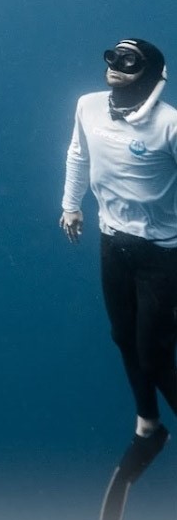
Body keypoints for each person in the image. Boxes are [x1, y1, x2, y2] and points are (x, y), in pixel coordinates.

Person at [61, 38, 177, 480]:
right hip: (112, 242)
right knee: (122, 336)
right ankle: (148, 425)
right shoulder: (87, 106)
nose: (115, 64)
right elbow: (78, 154)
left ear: (150, 72)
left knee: (156, 354)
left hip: (162, 253)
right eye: (111, 55)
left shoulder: (170, 126)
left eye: (129, 60)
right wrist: (71, 205)